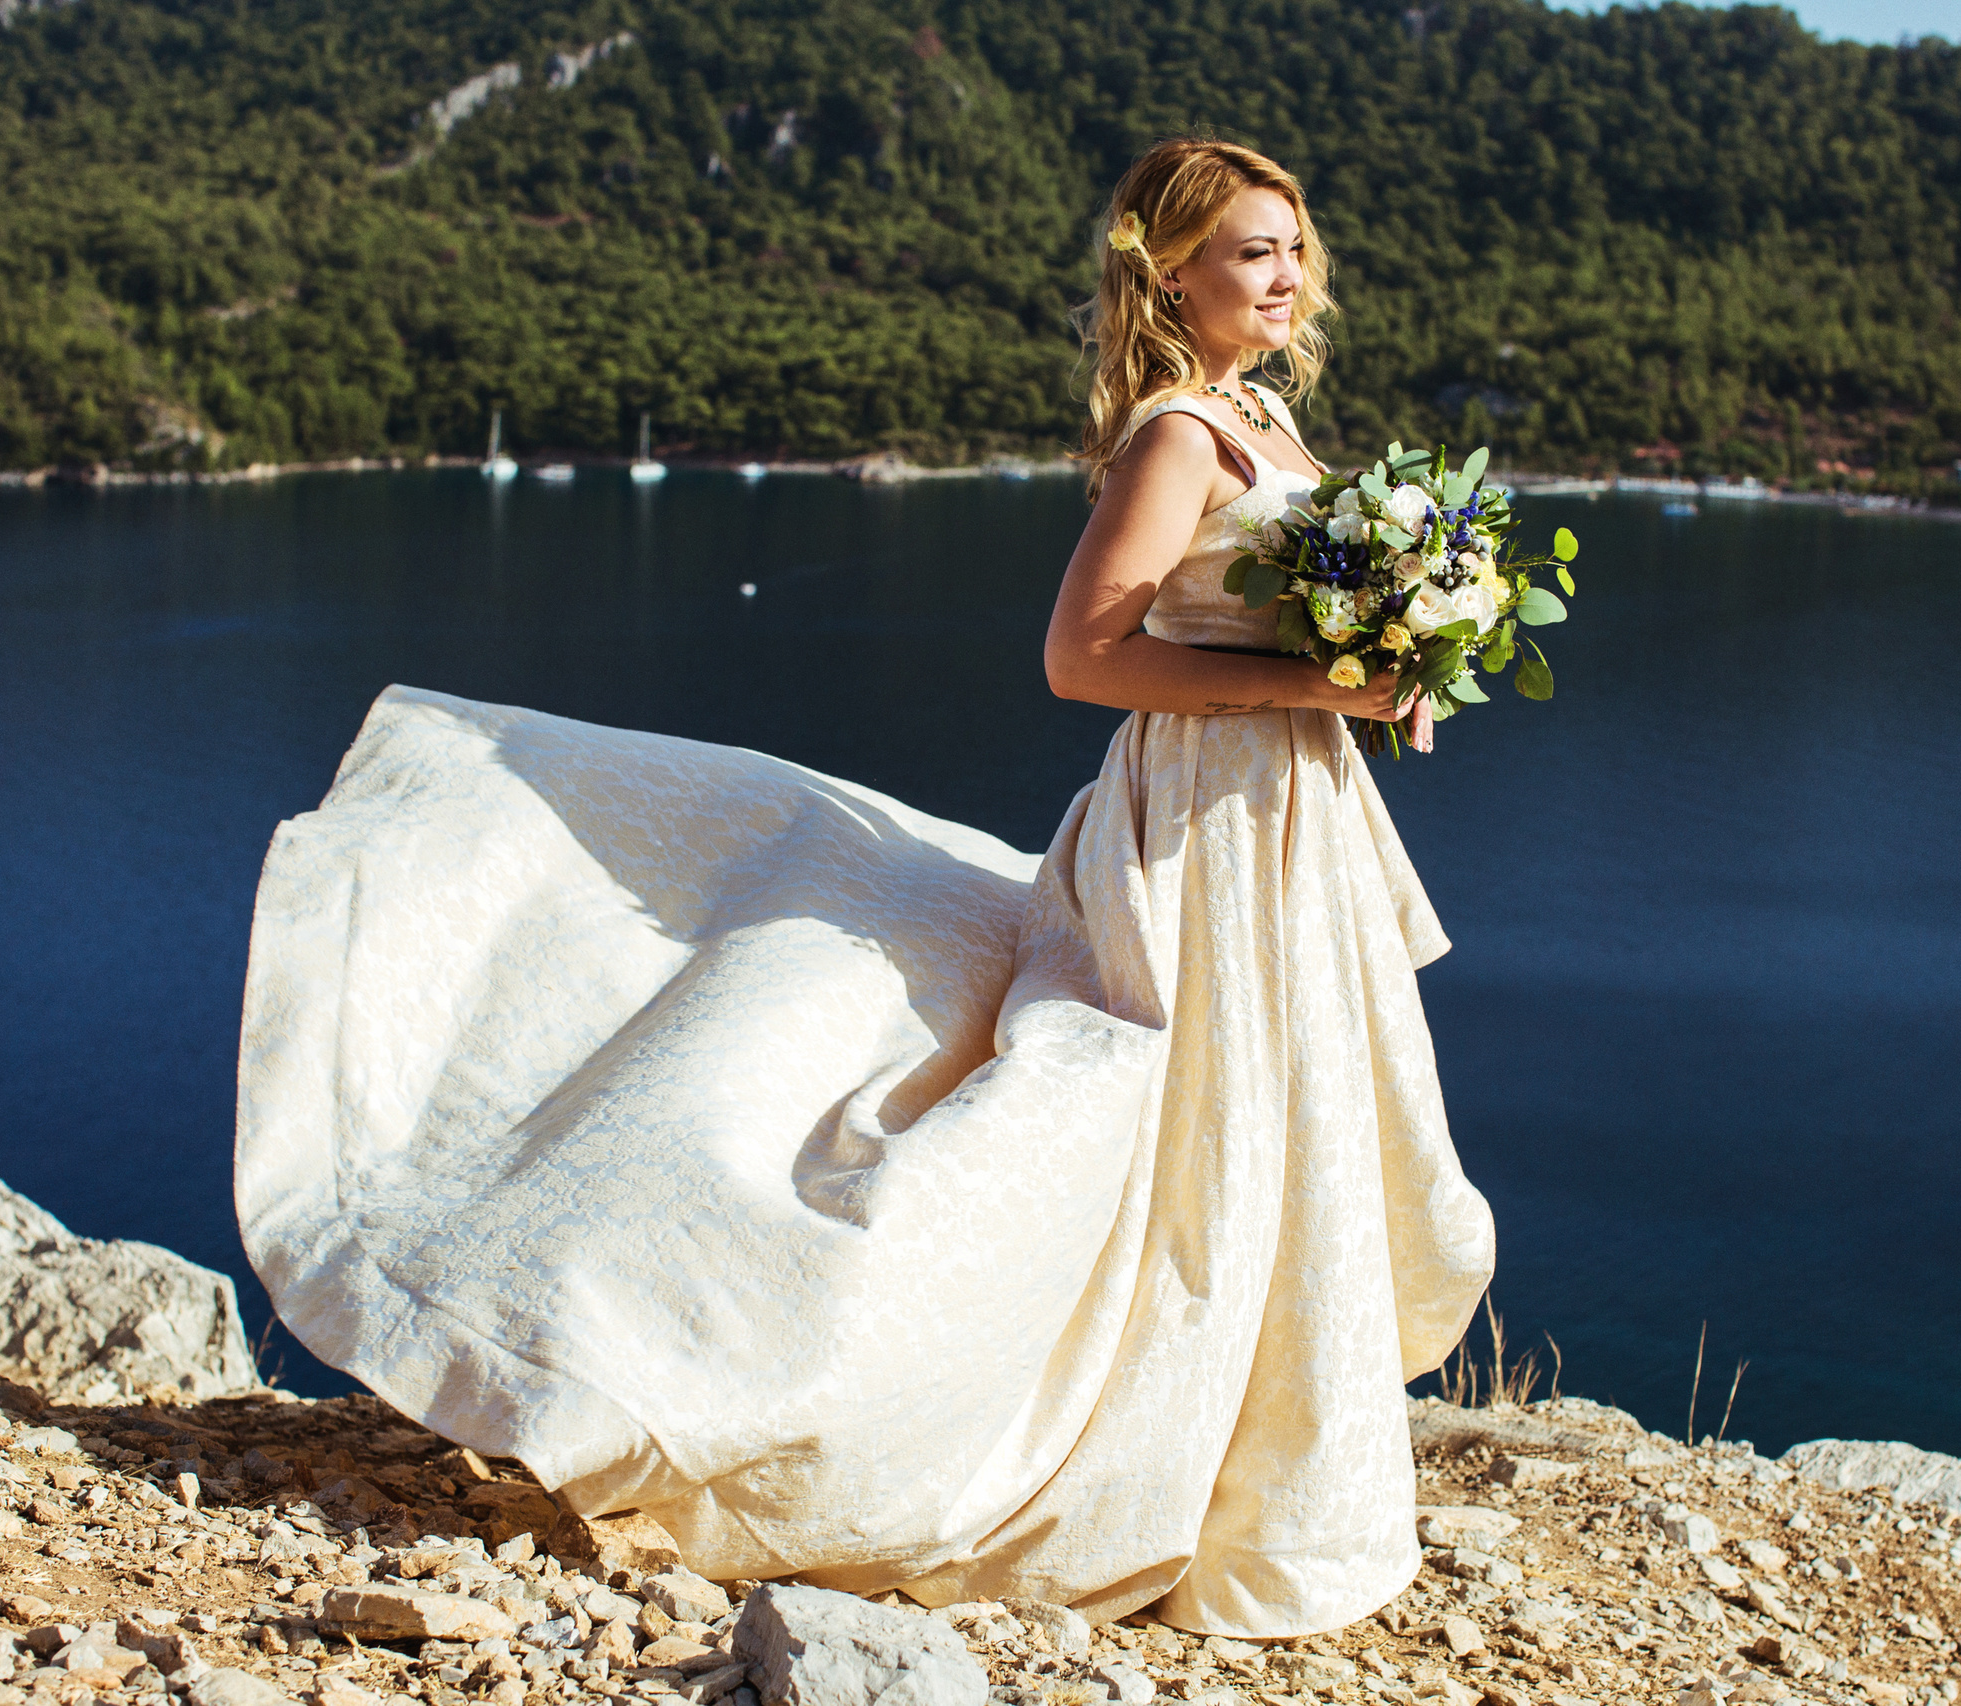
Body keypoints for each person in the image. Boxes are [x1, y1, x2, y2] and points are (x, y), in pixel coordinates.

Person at [234, 136, 1493, 1640]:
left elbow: (1287, 617)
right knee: (1191, 1124)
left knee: (1282, 1115)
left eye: (1293, 246)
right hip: (1206, 829)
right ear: (1172, 274)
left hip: (1290, 816)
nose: (1286, 275)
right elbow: (1080, 658)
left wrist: (1396, 664)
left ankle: (1264, 1456)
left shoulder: (1266, 418)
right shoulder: (1177, 437)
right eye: (1250, 252)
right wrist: (1320, 676)